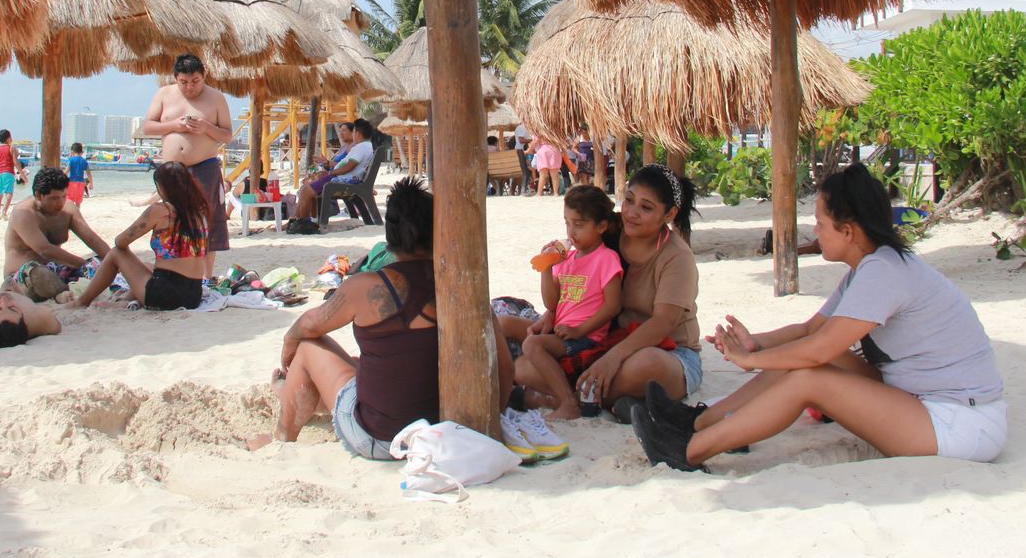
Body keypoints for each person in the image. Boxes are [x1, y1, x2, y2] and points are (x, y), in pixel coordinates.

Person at [632, 164, 1007, 471]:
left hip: (960, 424)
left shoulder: (884, 273)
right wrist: (756, 343)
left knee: (808, 377)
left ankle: (688, 451)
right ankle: (699, 422)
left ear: (848, 230)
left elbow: (817, 350)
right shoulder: (872, 266)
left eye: (821, 223)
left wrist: (751, 360)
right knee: (804, 357)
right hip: (922, 402)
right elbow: (811, 330)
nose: (816, 232)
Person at [248, 177, 541, 457]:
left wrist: (289, 344)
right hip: (445, 431)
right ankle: (294, 392)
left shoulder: (366, 287)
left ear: (390, 238)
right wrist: (489, 419)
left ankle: (282, 436)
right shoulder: (465, 291)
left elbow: (309, 325)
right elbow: (504, 369)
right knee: (360, 363)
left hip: (378, 438)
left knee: (308, 348)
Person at [570, 165, 702, 416]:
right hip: (609, 340)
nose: (631, 213)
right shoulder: (610, 229)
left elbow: (663, 322)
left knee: (647, 364)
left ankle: (572, 394)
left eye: (646, 207)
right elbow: (577, 265)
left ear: (669, 214)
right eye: (629, 200)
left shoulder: (677, 257)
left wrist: (613, 358)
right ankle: (617, 398)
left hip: (670, 352)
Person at [515, 185, 625, 420]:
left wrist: (579, 330)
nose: (571, 231)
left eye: (578, 224)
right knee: (506, 326)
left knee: (532, 345)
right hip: (562, 332)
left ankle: (568, 402)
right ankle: (558, 396)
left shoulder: (606, 258)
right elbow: (552, 304)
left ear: (601, 227)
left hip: (587, 337)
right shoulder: (568, 259)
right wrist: (547, 268)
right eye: (567, 223)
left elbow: (613, 306)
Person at [141, 54, 235, 275]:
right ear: (175, 78)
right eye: (183, 82)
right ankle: (175, 271)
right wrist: (175, 125)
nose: (190, 87)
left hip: (205, 166)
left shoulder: (216, 98)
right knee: (172, 219)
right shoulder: (164, 94)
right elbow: (148, 127)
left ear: (204, 76)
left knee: (208, 221)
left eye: (195, 81)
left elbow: (227, 135)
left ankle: (206, 276)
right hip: (173, 171)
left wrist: (206, 128)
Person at [73, 161, 210, 311]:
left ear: (163, 187)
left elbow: (120, 242)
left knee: (116, 253)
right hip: (193, 295)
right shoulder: (199, 211)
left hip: (166, 296)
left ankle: (81, 302)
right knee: (146, 266)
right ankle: (124, 299)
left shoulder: (161, 210)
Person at [2, 167, 111, 302]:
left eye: (64, 196)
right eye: (54, 198)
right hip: (24, 275)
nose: (60, 203)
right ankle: (63, 293)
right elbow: (44, 250)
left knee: (103, 260)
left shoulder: (68, 209)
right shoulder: (23, 212)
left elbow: (92, 239)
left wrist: (112, 260)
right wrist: (84, 265)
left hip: (57, 270)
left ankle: (65, 292)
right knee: (38, 273)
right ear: (38, 195)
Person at [286, 118, 375, 233]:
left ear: (357, 133)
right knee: (305, 189)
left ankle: (303, 223)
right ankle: (299, 221)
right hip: (342, 178)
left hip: (341, 180)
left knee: (306, 191)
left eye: (352, 132)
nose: (352, 135)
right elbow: (348, 166)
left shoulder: (361, 147)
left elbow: (349, 167)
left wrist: (330, 173)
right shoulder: (364, 146)